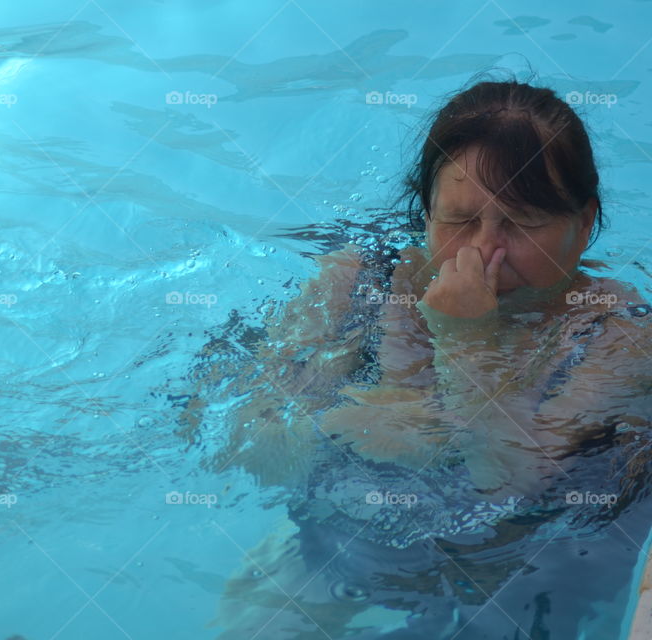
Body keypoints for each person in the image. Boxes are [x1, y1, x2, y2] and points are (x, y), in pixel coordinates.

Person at [182, 76, 652, 639]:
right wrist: (326, 428)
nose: (485, 252)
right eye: (458, 220)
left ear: (582, 226)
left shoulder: (617, 334)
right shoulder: (359, 284)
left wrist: (463, 339)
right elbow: (232, 446)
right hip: (355, 539)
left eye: (522, 224)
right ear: (425, 213)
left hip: (536, 568)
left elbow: (509, 486)